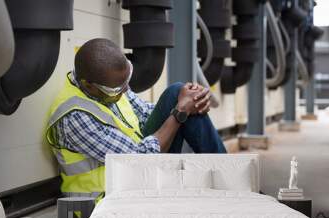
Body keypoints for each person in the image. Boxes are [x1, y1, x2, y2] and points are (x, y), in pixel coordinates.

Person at [46, 38, 226, 197]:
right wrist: (180, 112)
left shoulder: (111, 87)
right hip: (110, 198)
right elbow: (139, 161)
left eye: (127, 82)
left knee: (178, 93)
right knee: (179, 106)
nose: (125, 90)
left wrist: (192, 103)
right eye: (118, 89)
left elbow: (147, 113)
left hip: (136, 177)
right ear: (89, 86)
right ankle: (227, 181)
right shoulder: (75, 117)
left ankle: (227, 174)